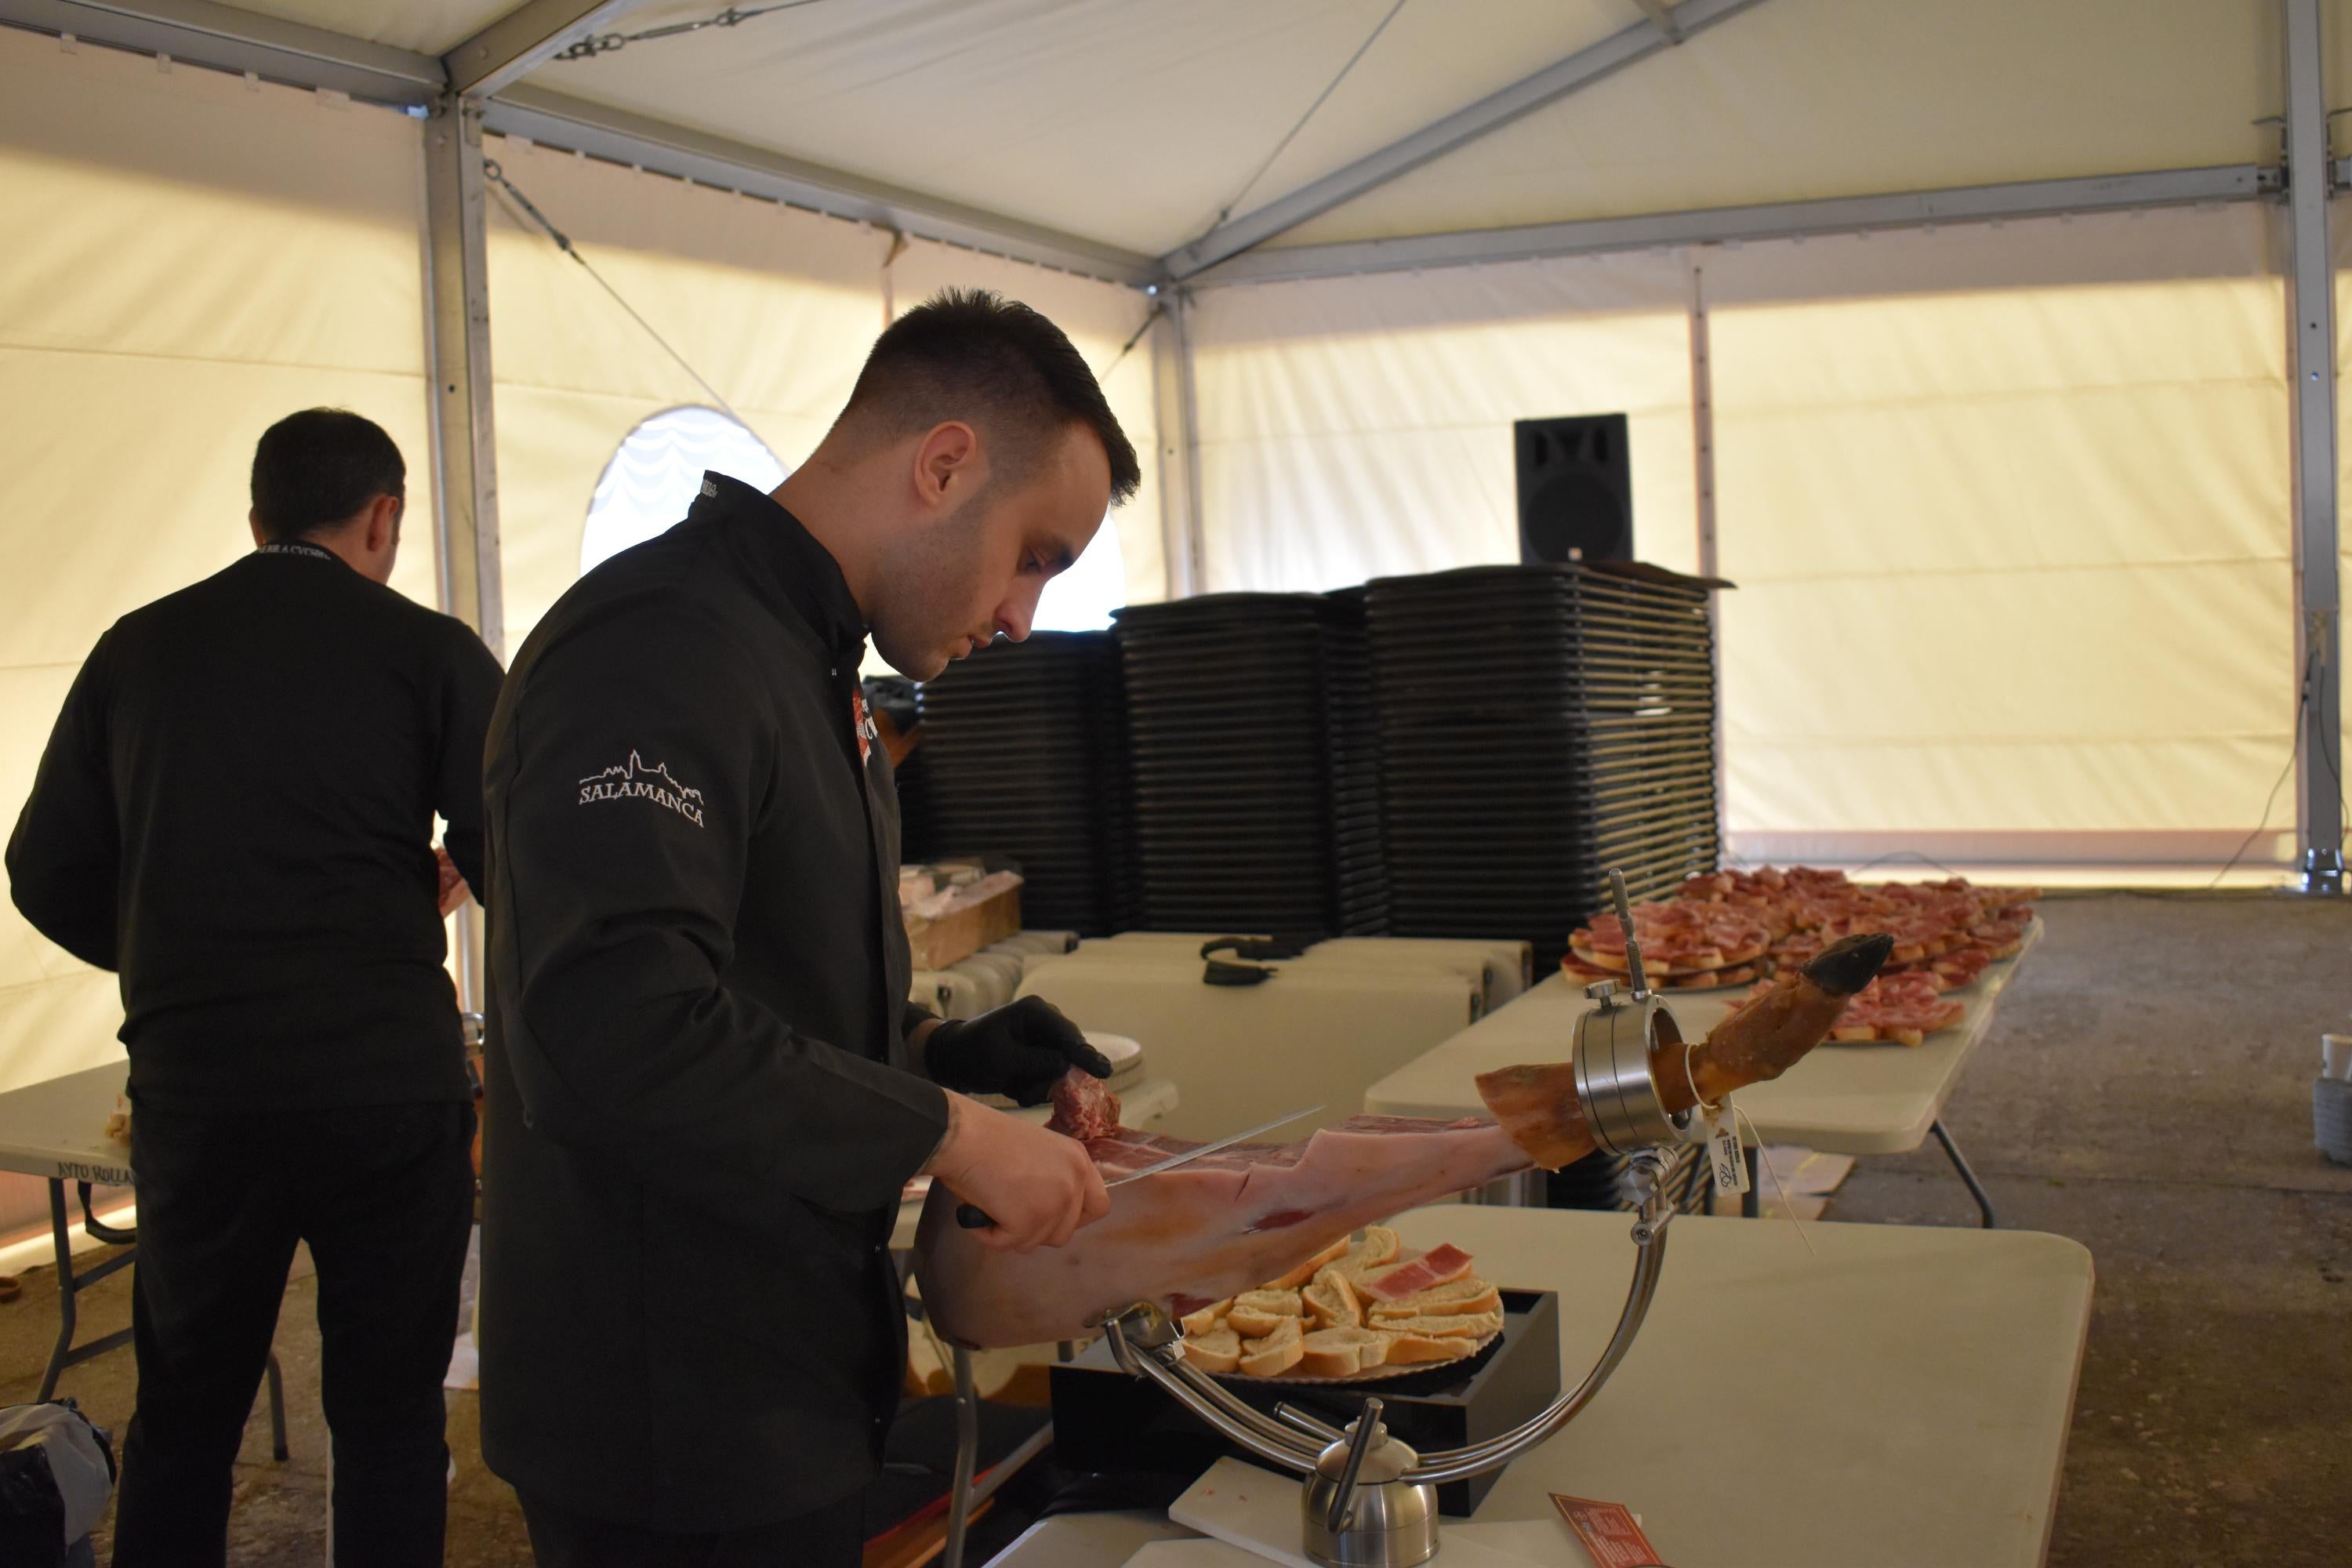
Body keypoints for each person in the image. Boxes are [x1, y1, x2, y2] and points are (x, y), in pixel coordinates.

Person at [479, 289, 1141, 1562]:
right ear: (945, 465)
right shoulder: (658, 646)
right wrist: (945, 1133)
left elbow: (760, 999)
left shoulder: (814, 663)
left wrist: (943, 1057)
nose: (1021, 617)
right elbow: (613, 1026)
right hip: (666, 1409)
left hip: (787, 1367)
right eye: (1036, 554)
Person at [6, 409, 503, 1567]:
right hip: (385, 1086)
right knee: (388, 1411)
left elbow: (42, 870)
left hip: (204, 1085)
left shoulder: (137, 648)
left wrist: (186, 959)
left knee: (185, 1411)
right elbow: (517, 836)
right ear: (383, 517)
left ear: (255, 520)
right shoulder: (427, 651)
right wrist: (451, 873)